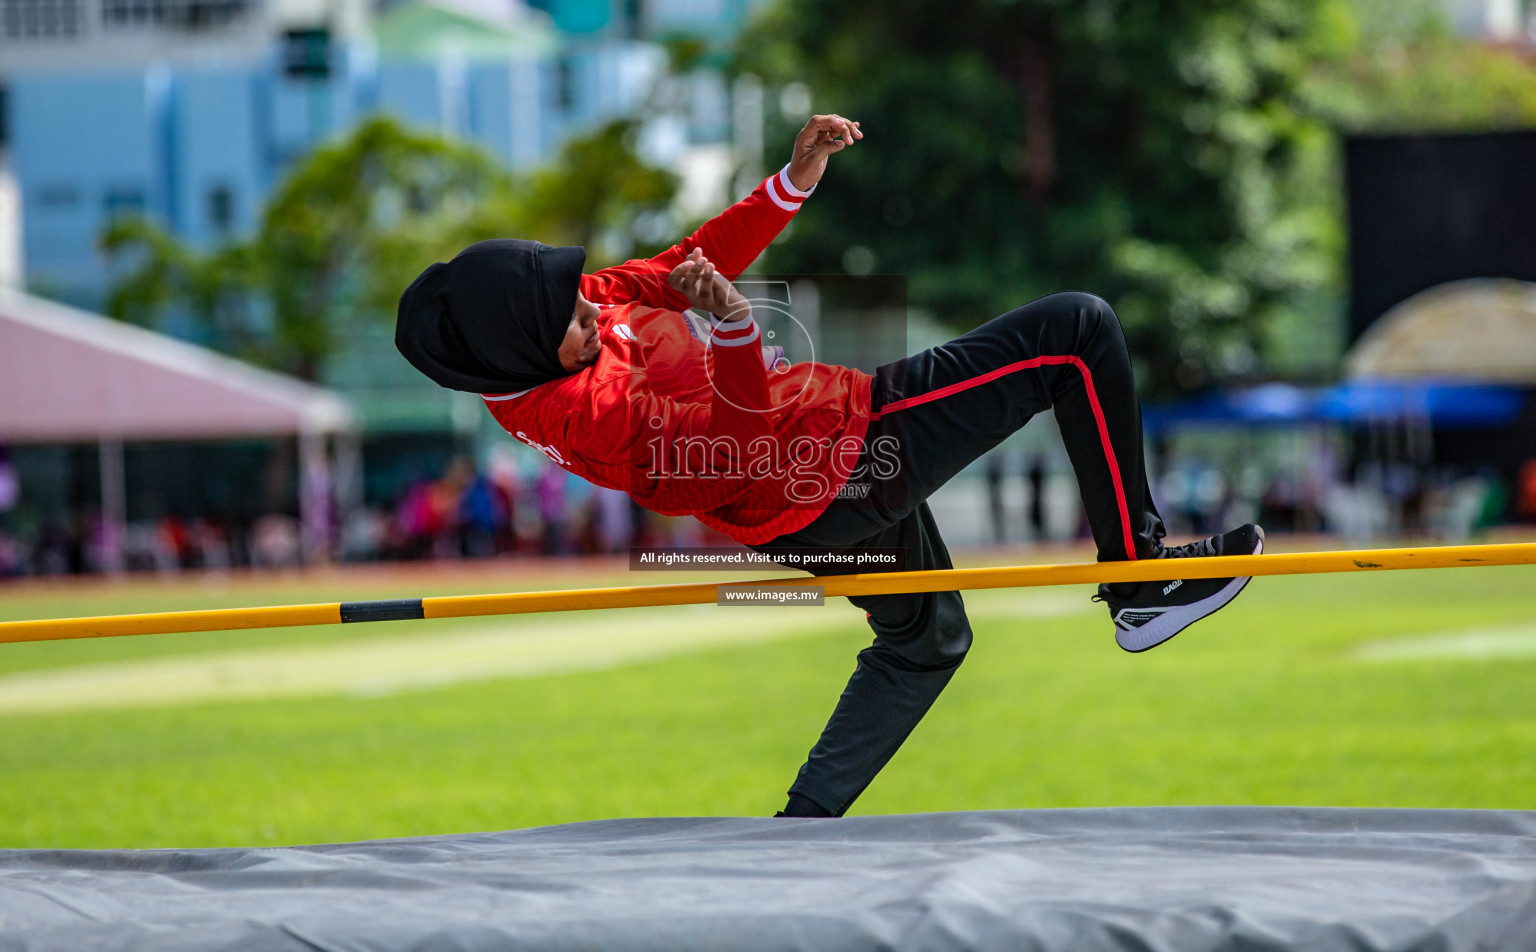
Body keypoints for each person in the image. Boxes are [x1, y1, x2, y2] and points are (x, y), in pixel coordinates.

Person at [395, 114, 1264, 819]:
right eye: (562, 310)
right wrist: (734, 330)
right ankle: (1140, 581)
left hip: (814, 485)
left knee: (926, 644)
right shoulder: (586, 416)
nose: (586, 299)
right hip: (839, 461)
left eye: (573, 287)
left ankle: (800, 831)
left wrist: (792, 180)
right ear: (518, 352)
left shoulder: (586, 317)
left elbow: (682, 267)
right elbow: (734, 445)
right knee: (1076, 334)